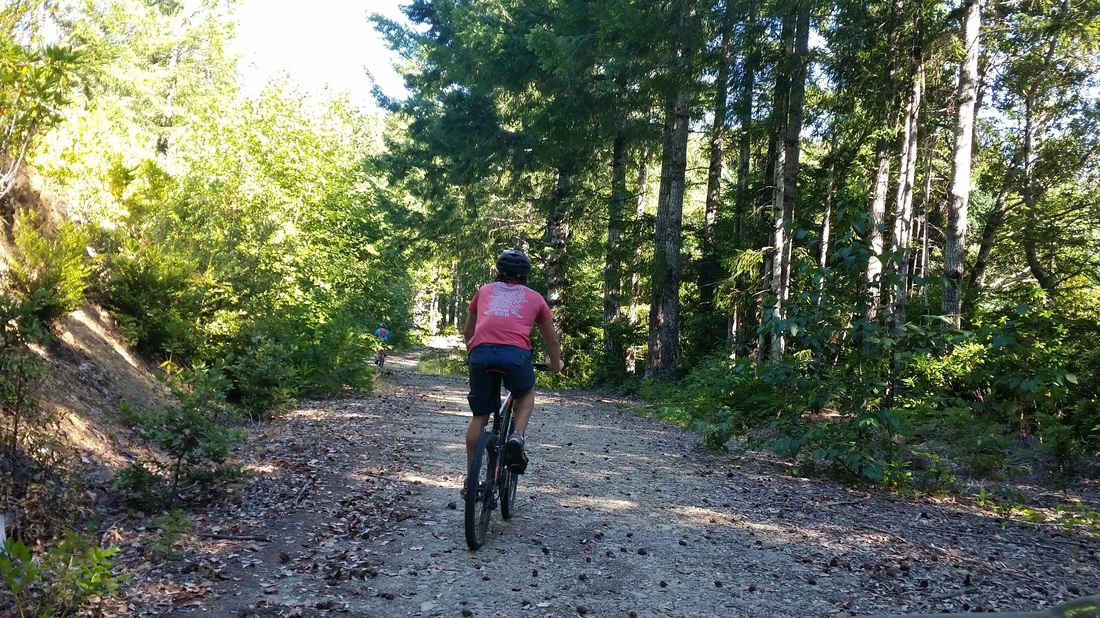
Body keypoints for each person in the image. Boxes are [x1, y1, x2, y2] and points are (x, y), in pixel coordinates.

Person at [462, 249, 564, 475]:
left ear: (499, 272)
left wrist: (474, 353)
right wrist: (556, 365)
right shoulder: (535, 298)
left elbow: (468, 331)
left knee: (480, 416)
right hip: (515, 356)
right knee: (525, 392)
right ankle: (517, 437)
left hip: (481, 354)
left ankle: (471, 479)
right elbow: (552, 340)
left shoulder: (484, 291)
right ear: (525, 276)